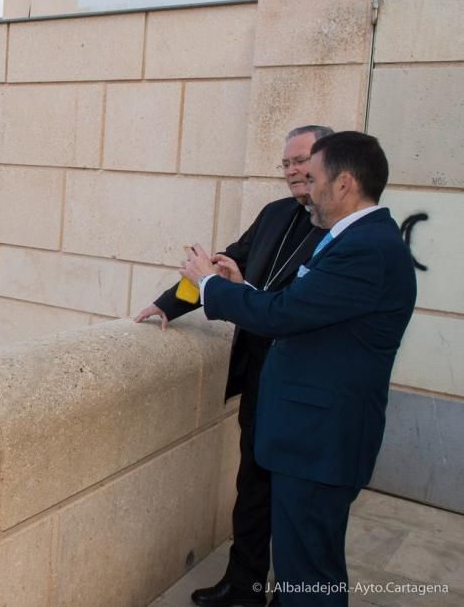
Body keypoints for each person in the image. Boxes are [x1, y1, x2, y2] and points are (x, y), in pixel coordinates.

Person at [180, 131, 416, 607]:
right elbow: (299, 310)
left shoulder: (365, 248)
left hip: (320, 443)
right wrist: (243, 289)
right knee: (301, 567)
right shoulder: (353, 239)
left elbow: (283, 317)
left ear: (344, 183)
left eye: (313, 176)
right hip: (310, 439)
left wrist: (208, 284)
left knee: (309, 577)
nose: (303, 185)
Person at [135, 125, 332, 607]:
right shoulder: (275, 214)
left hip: (303, 384)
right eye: (285, 163)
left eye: (301, 160)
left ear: (329, 164)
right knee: (252, 490)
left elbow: (290, 309)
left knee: (297, 509)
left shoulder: (338, 230)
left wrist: (242, 290)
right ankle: (243, 586)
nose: (291, 171)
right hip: (260, 376)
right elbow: (221, 268)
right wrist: (168, 305)